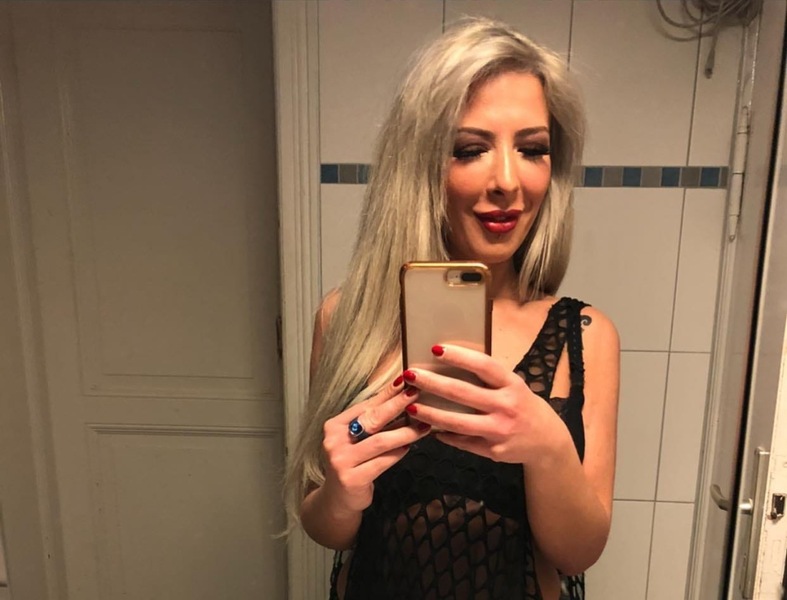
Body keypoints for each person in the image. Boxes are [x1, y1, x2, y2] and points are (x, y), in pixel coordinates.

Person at [284, 17, 620, 600]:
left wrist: (545, 445)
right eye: (471, 150)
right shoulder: (345, 319)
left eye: (532, 149)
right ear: (420, 164)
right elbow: (328, 530)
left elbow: (577, 554)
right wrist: (338, 493)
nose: (508, 180)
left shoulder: (585, 335)